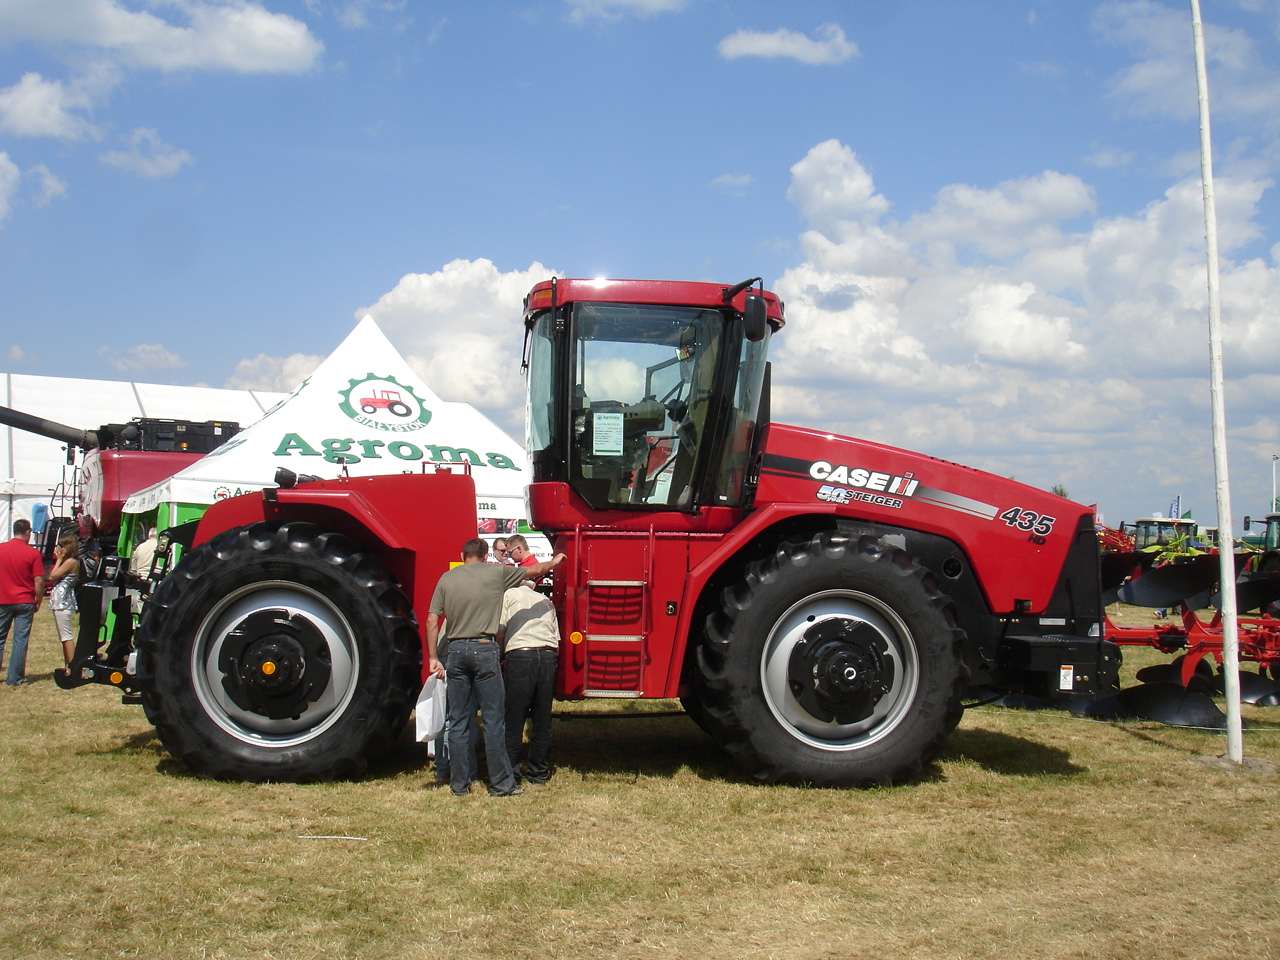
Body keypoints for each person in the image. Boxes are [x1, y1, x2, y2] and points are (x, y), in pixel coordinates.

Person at [426, 538, 564, 797]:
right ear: (486, 554)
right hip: (485, 648)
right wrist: (554, 562)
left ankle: (459, 784)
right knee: (493, 720)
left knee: (457, 721)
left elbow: (432, 619)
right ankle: (501, 784)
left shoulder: (447, 579)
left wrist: (434, 656)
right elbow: (533, 571)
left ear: (462, 554)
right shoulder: (495, 573)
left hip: (455, 651)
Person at [498, 580, 561, 784]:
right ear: (534, 586)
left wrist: (499, 655)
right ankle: (538, 771)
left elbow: (501, 629)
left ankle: (510, 771)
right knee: (542, 718)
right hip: (547, 654)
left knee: (514, 717)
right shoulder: (545, 600)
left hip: (520, 655)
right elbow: (556, 637)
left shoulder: (509, 596)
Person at [0, 519, 46, 687]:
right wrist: (38, 599)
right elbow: (39, 580)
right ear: (27, 532)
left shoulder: (1, 549)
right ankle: (15, 677)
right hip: (24, 600)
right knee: (20, 640)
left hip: (3, 598)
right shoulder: (32, 553)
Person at [47, 533, 80, 668]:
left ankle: (72, 667)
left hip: (63, 602)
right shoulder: (69, 561)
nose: (58, 548)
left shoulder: (70, 562)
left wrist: (59, 559)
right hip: (60, 601)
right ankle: (68, 665)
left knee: (66, 637)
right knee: (63, 637)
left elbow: (52, 576)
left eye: (61, 546)